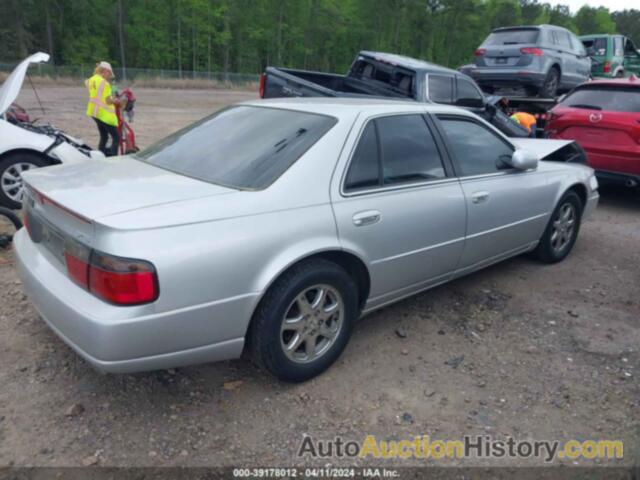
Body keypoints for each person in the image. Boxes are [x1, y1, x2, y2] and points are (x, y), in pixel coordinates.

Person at [85, 62, 119, 156]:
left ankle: (100, 156)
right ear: (105, 71)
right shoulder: (104, 83)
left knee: (104, 136)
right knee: (116, 137)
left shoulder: (90, 80)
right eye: (109, 74)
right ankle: (114, 158)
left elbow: (97, 95)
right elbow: (108, 101)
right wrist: (115, 101)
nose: (109, 77)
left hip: (94, 112)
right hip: (104, 114)